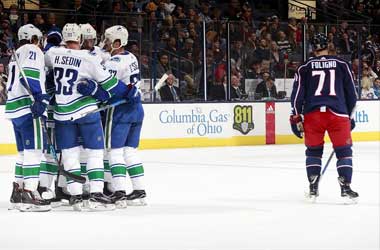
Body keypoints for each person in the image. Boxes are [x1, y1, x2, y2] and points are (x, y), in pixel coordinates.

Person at [45, 23, 131, 211]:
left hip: (62, 114)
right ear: (81, 40)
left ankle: (75, 197)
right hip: (86, 112)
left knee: (69, 154)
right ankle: (96, 195)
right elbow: (110, 84)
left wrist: (52, 38)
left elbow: (48, 52)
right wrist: (128, 91)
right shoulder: (87, 58)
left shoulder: (53, 55)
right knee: (95, 153)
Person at [289, 33, 358, 203]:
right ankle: (345, 185)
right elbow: (352, 94)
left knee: (313, 151)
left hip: (313, 115)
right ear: (329, 46)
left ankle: (313, 185)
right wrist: (350, 116)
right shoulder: (342, 64)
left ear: (313, 48)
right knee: (344, 152)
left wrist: (296, 117)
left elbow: (297, 95)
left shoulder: (304, 67)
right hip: (338, 114)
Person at [97, 25, 146, 206]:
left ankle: (119, 192)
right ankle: (139, 191)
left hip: (120, 111)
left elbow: (106, 88)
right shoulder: (131, 57)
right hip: (137, 109)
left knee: (115, 152)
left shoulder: (114, 63)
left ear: (118, 43)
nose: (106, 44)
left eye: (109, 41)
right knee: (130, 152)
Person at [5, 24, 51, 211]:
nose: (39, 44)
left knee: (24, 153)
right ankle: (29, 192)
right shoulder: (32, 50)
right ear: (33, 38)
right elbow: (30, 75)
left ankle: (18, 190)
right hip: (28, 107)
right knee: (34, 151)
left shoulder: (16, 54)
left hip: (14, 108)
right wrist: (40, 98)